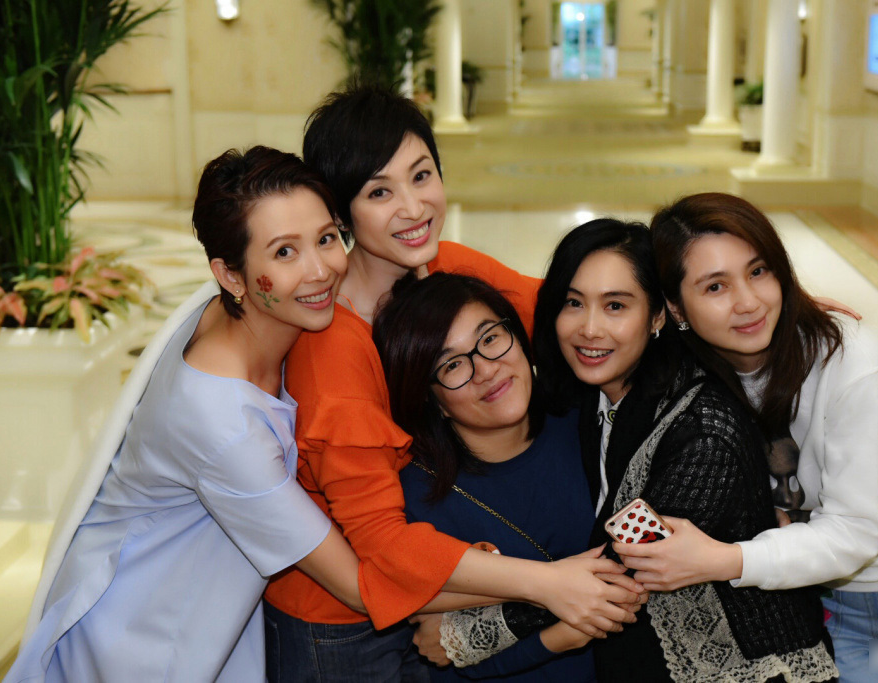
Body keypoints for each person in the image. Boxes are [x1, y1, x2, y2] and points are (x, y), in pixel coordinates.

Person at [263, 85, 640, 682]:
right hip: (342, 624)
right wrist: (548, 583)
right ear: (340, 214)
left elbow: (562, 315)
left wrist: (706, 311)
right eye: (379, 192)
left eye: (421, 176)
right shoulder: (333, 350)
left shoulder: (443, 266)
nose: (413, 208)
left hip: (439, 578)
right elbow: (382, 543)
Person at [7, 147, 365, 682]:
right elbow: (355, 586)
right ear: (231, 275)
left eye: (327, 238)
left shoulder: (230, 311)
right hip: (139, 642)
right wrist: (501, 590)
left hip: (194, 615)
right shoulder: (222, 426)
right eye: (285, 252)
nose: (321, 270)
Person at [641, 192, 878, 681]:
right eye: (715, 286)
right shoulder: (692, 373)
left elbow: (855, 533)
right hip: (831, 598)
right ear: (674, 307)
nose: (748, 302)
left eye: (759, 271)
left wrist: (720, 560)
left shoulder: (856, 364)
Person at [531, 219, 838, 682]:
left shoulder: (700, 433)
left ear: (658, 316)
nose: (590, 328)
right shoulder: (592, 398)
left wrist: (464, 625)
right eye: (573, 303)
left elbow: (613, 576)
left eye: (616, 305)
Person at [373, 273, 628, 682]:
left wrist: (498, 624)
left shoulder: (592, 424)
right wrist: (559, 636)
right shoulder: (412, 499)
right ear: (432, 400)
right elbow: (440, 649)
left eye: (490, 338)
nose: (486, 370)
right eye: (453, 365)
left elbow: (641, 572)